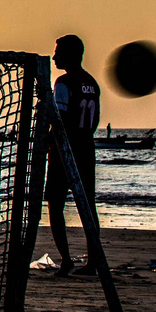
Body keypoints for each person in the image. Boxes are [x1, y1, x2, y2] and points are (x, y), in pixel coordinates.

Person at [46, 34, 101, 277]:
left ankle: (66, 260)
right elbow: (95, 118)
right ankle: (93, 261)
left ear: (70, 54)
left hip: (64, 151)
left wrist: (48, 141)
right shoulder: (91, 82)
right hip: (86, 148)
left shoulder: (63, 82)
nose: (55, 57)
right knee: (88, 205)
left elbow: (60, 119)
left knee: (55, 204)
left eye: (58, 52)